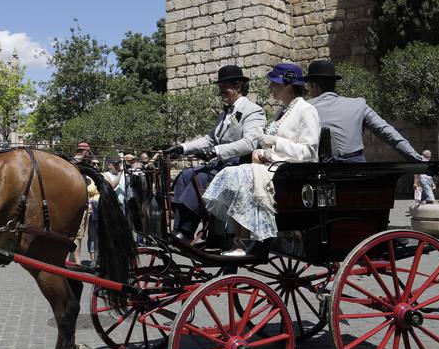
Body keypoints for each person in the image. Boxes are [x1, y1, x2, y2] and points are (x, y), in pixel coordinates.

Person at [203, 63, 321, 258]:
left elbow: (308, 151)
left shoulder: (306, 110)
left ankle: (246, 240)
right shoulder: (282, 111)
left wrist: (275, 142)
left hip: (294, 172)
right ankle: (241, 239)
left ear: (288, 86)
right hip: (276, 166)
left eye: (274, 84)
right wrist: (265, 151)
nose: (270, 88)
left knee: (242, 174)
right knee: (234, 173)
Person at [164, 65, 267, 242]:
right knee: (185, 175)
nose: (221, 93)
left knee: (201, 179)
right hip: (221, 165)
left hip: (239, 166)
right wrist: (183, 147)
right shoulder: (224, 114)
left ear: (238, 87)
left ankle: (187, 231)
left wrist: (217, 151)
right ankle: (181, 230)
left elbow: (250, 143)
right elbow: (209, 139)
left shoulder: (254, 111)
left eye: (224, 89)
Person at [303, 59, 422, 161]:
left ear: (314, 85)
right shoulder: (359, 105)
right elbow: (387, 132)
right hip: (356, 173)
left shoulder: (304, 108)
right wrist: (417, 159)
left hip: (321, 175)